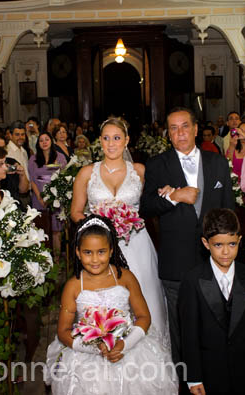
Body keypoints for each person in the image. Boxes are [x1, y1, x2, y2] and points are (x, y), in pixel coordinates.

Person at [139, 107, 234, 366]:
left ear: (195, 129)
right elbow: (145, 207)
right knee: (180, 326)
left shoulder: (217, 162)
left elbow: (229, 210)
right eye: (173, 128)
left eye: (184, 126)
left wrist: (227, 257)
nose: (179, 133)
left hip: (213, 259)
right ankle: (184, 378)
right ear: (168, 134)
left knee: (214, 319)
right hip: (175, 258)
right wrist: (173, 196)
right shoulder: (158, 164)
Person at [45, 215, 178, 394]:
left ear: (111, 250)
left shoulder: (125, 277)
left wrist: (125, 344)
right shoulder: (73, 286)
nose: (94, 259)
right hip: (88, 354)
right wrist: (94, 348)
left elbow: (144, 317)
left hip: (129, 348)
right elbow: (63, 331)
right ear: (77, 252)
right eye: (87, 252)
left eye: (101, 252)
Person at [71, 117, 170, 351]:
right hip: (100, 250)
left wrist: (165, 191)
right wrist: (97, 224)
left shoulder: (140, 171)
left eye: (117, 138)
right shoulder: (87, 173)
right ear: (100, 142)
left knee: (145, 296)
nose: (111, 143)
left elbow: (153, 202)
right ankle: (104, 344)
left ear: (126, 141)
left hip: (136, 243)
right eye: (106, 138)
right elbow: (75, 212)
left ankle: (148, 350)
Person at [178, 208, 245, 395]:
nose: (226, 252)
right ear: (206, 243)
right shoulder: (193, 280)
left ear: (239, 241)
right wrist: (193, 377)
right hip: (209, 372)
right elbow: (188, 334)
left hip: (243, 372)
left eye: (232, 244)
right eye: (218, 245)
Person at [28, 131, 67, 256]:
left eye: (47, 139)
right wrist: (40, 197)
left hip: (56, 198)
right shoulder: (33, 159)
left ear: (51, 141)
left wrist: (56, 196)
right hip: (38, 196)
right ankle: (44, 260)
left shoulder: (60, 157)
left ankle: (56, 259)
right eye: (41, 140)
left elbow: (65, 177)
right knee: (41, 229)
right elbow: (32, 180)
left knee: (56, 230)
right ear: (38, 143)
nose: (44, 142)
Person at [0, 132, 29, 202]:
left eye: (3, 148)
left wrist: (22, 175)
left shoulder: (12, 162)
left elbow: (24, 191)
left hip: (14, 205)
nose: (1, 151)